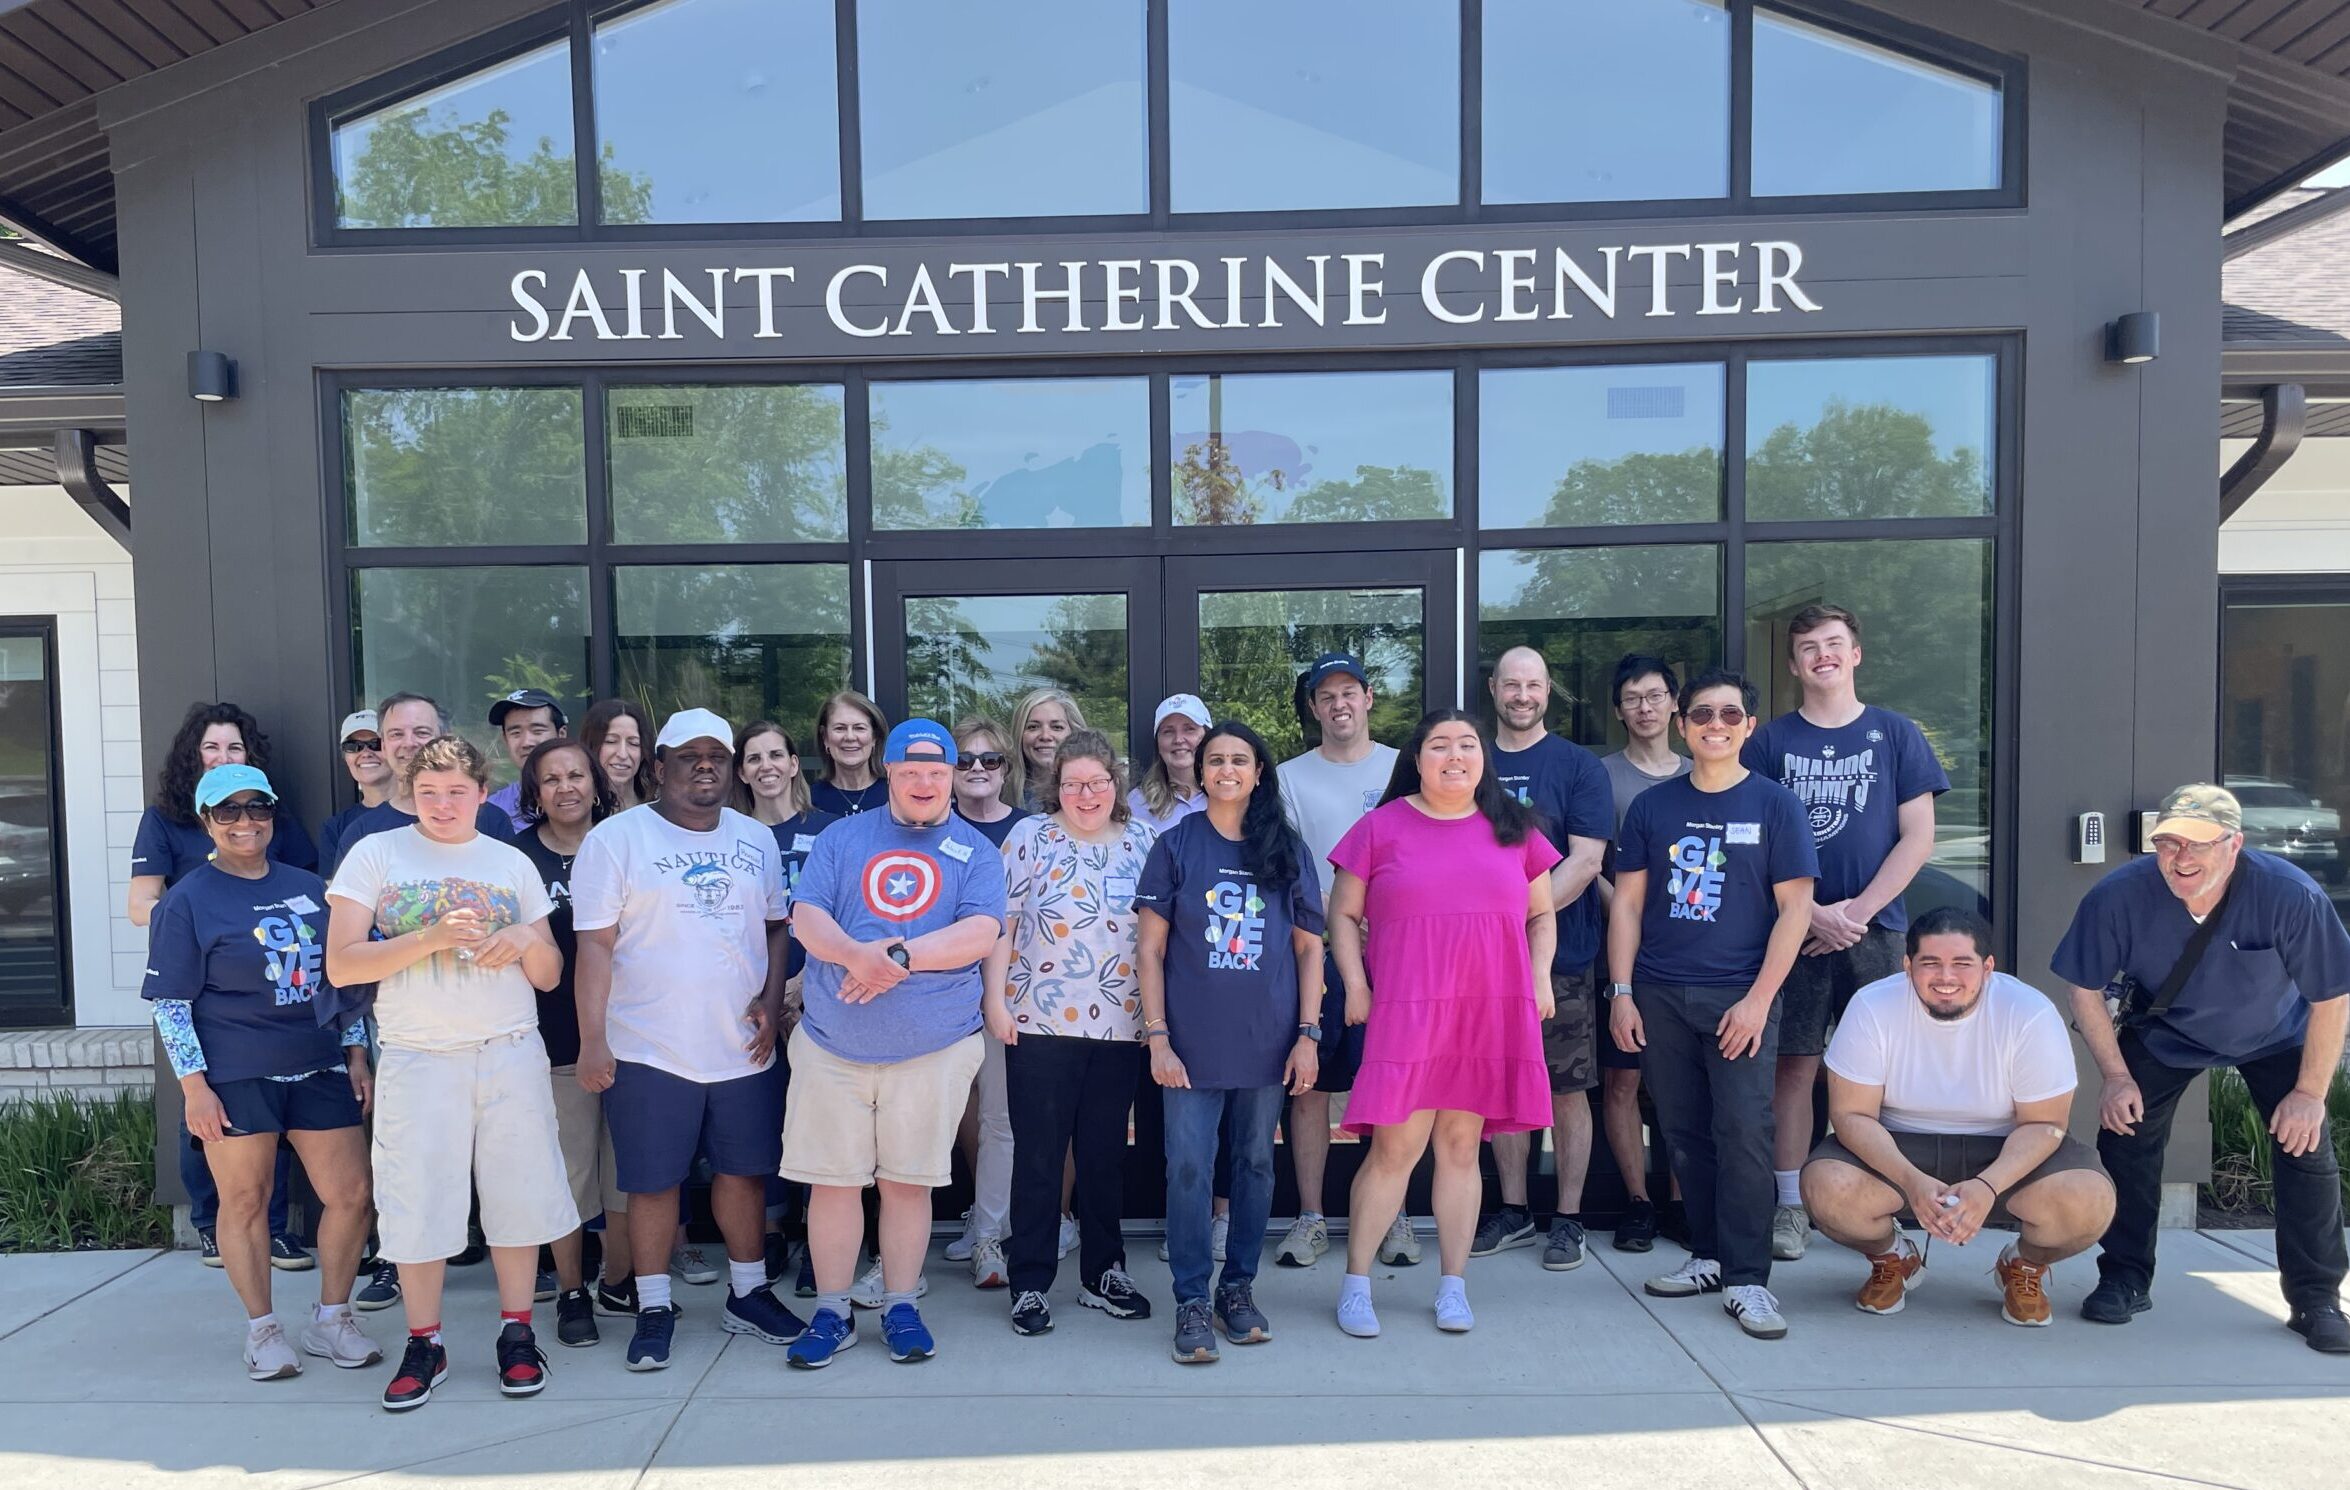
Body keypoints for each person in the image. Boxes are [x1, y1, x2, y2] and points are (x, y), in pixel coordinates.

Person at [2053, 783, 2350, 1351]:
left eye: (2196, 845)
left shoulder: (2290, 894)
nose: (2180, 859)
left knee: (2306, 1147)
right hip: (2169, 1035)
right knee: (2126, 1131)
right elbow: (2084, 990)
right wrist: (2115, 1078)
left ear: (2233, 845)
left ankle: (2316, 1300)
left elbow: (2332, 997)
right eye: (2167, 844)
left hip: (2274, 1035)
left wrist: (2310, 1093)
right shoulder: (2118, 895)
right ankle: (2124, 1277)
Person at [325, 734, 573, 1412]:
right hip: (418, 1053)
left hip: (509, 1047)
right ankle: (424, 1342)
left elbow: (549, 974)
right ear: (410, 791)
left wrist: (524, 938)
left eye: (456, 792)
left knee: (518, 1196)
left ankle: (517, 1334)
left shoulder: (509, 861)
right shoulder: (376, 854)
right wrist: (427, 938)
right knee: (417, 1200)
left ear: (480, 791)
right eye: (428, 792)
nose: (441, 804)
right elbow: (342, 964)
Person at [570, 709, 801, 1371]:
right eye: (689, 756)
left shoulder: (755, 839)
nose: (705, 766)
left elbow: (776, 927)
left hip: (739, 1046)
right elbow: (594, 949)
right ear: (659, 765)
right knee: (651, 1183)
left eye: (717, 757)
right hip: (647, 1047)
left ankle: (748, 1294)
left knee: (744, 1174)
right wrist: (593, 1041)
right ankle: (652, 1306)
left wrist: (768, 996)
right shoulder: (616, 841)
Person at [1326, 709, 1559, 1338]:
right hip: (1406, 1011)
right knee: (1393, 1150)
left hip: (1488, 1011)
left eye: (1467, 744)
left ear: (1484, 758)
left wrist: (1539, 979)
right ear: (1417, 758)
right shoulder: (1380, 826)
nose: (1454, 756)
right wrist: (1355, 983)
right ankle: (1356, 1285)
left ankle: (1453, 1285)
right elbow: (1342, 915)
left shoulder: (1514, 830)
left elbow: (1542, 916)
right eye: (1439, 746)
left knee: (1460, 1150)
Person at [781, 719, 1006, 1369]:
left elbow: (981, 932)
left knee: (908, 1184)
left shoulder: (974, 851)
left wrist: (897, 957)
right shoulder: (842, 837)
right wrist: (855, 956)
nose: (926, 784)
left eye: (938, 772)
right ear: (889, 772)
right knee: (834, 1184)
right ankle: (831, 1311)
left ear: (954, 774)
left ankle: (902, 1305)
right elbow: (808, 916)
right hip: (833, 1046)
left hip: (931, 1048)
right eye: (911, 772)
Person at [144, 763, 377, 1382]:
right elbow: (171, 1003)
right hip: (235, 1074)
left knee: (351, 1195)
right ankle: (263, 1330)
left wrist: (356, 1052)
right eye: (229, 811)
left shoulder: (311, 887)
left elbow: (342, 979)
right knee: (245, 1200)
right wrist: (194, 1086)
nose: (246, 822)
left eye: (258, 808)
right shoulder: (186, 900)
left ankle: (332, 1319)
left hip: (319, 1063)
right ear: (206, 822)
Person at [1609, 668, 1817, 1341]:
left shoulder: (1775, 805)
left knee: (1745, 1135)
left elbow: (1795, 912)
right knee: (1685, 1132)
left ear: (1748, 727)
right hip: (1662, 993)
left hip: (1740, 998)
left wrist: (1760, 1001)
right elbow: (1630, 907)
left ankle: (1749, 1279)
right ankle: (1708, 1255)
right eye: (1703, 714)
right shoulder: (1652, 809)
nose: (1716, 725)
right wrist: (1621, 992)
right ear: (1683, 725)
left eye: (1730, 714)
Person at [1742, 604, 1947, 1262]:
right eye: (1808, 647)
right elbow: (1757, 843)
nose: (1821, 655)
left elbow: (1918, 836)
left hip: (1877, 931)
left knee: (1882, 1074)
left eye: (1834, 644)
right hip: (1793, 934)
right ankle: (1793, 1206)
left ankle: (1887, 1196)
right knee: (1794, 1067)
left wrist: (1855, 912)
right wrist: (1813, 914)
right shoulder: (1770, 744)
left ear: (1855, 654)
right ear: (1795, 663)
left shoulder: (1896, 734)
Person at [1801, 908, 2114, 1327]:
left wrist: (1988, 1186)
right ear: (1907, 965)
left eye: (1962, 964)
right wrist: (1912, 1180)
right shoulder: (1873, 1005)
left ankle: (2024, 1266)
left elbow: (2045, 1124)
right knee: (1826, 1187)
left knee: (2089, 1200)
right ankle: (1892, 1257)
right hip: (1898, 1143)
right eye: (1930, 963)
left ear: (1988, 967)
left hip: (2006, 1148)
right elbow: (1851, 1114)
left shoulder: (2028, 1012)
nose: (1946, 977)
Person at [1137, 722, 1325, 1363]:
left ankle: (1236, 1290)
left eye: (1238, 760)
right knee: (1188, 1171)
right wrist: (1158, 1038)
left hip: (1268, 1042)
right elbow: (1151, 949)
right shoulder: (1176, 845)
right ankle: (1191, 1299)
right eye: (1215, 760)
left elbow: (1309, 950)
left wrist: (1307, 1034)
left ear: (1258, 772)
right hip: (1188, 1046)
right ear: (1202, 771)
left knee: (1254, 1166)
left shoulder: (1287, 850)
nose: (1225, 770)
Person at [985, 728, 1158, 1337]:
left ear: (1117, 785)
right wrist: (995, 1001)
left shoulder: (1144, 840)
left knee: (1104, 1156)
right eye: (1072, 784)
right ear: (1053, 788)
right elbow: (1000, 925)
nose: (1086, 795)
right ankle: (1029, 1282)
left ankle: (1103, 1273)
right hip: (1037, 1020)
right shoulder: (1031, 837)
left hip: (1120, 1023)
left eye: (1097, 783)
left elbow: (1160, 934)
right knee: (1038, 1156)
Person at [130, 700, 312, 1271]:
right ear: (194, 754)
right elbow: (141, 903)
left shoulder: (266, 817)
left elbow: (315, 890)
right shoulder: (164, 819)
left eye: (234, 748)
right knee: (206, 1110)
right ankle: (211, 1222)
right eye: (212, 747)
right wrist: (202, 918)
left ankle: (275, 1228)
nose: (222, 756)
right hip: (201, 980)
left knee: (270, 1116)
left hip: (277, 987)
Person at [1474, 647, 1613, 1272]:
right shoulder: (1470, 758)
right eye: (1511, 684)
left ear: (1548, 691)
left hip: (1563, 955)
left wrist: (1519, 922)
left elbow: (1586, 863)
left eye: (1532, 684)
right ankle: (1513, 1210)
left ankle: (1569, 1217)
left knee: (1565, 1088)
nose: (1522, 695)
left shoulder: (1579, 767)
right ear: (1494, 690)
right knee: (1500, 1084)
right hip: (1478, 960)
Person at [1274, 653, 1412, 1269]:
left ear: (1368, 697)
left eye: (1348, 692)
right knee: (1310, 1087)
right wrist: (1345, 912)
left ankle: (1393, 1216)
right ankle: (1311, 1217)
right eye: (1326, 696)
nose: (1339, 705)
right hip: (1321, 954)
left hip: (1398, 952)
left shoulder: (1401, 768)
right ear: (1314, 708)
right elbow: (1293, 867)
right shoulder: (1288, 776)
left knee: (1391, 1085)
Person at [511, 737, 630, 1348]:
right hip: (552, 1039)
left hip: (634, 1033)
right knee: (570, 1172)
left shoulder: (625, 841)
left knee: (626, 1173)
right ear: (535, 792)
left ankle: (621, 1279)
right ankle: (570, 1289)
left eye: (576, 775)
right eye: (551, 779)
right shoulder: (514, 858)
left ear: (596, 782)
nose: (566, 787)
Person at [1596, 655, 1692, 1252]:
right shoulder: (1601, 775)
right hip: (1624, 950)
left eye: (1655, 695)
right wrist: (1629, 916)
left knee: (1682, 1085)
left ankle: (1682, 1201)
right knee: (1623, 1081)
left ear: (1674, 703)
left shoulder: (1702, 771)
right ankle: (1637, 1201)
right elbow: (1591, 861)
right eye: (1633, 698)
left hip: (1691, 955)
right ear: (1619, 709)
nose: (1645, 707)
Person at [946, 715, 1029, 1286]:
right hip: (938, 997)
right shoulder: (926, 828)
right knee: (935, 1116)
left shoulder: (1030, 830)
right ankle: (895, 1249)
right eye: (965, 760)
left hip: (1010, 999)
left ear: (1007, 769)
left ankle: (991, 1237)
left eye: (990, 760)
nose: (977, 769)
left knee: (999, 1119)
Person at [329, 693, 516, 868]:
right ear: (384, 746)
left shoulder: (492, 820)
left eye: (421, 732)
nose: (409, 743)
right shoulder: (362, 834)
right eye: (396, 734)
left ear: (445, 739)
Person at [319, 710, 394, 874]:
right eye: (353, 747)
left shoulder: (424, 812)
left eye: (376, 744)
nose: (366, 753)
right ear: (345, 757)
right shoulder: (336, 827)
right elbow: (332, 890)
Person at [486, 689, 567, 832]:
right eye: (515, 733)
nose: (526, 742)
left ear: (561, 734)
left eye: (537, 731)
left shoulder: (584, 798)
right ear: (505, 740)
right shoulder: (493, 809)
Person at [1129, 694, 1211, 833]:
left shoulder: (1227, 795)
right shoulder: (1136, 802)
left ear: (1208, 736)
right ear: (1158, 743)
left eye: (1189, 729)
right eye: (1168, 731)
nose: (1178, 739)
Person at [808, 690, 891, 817]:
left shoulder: (895, 795)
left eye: (859, 728)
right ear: (825, 737)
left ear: (874, 737)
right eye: (840, 728)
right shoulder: (809, 802)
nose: (850, 737)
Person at [1009, 687, 1086, 812]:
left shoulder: (1095, 793)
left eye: (1057, 727)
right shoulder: (1001, 794)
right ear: (1020, 734)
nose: (1045, 736)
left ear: (1075, 734)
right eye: (1033, 727)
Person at [582, 699, 656, 812]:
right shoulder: (578, 811)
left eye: (633, 743)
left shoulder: (659, 810)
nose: (623, 754)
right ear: (591, 746)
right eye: (611, 741)